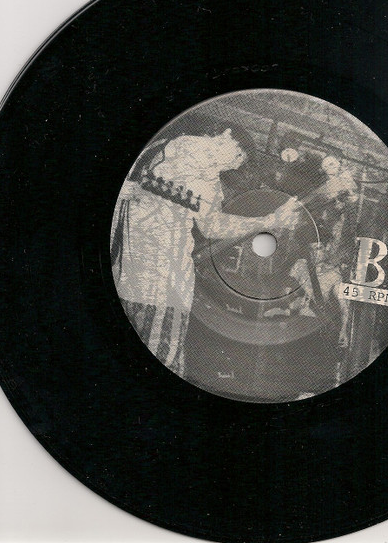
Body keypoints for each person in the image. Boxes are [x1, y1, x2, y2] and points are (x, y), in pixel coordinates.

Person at [111, 129, 300, 374]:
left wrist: (268, 221)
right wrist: (270, 220)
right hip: (158, 285)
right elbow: (213, 224)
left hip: (139, 281)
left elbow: (212, 226)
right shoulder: (181, 151)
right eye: (238, 155)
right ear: (226, 134)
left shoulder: (170, 157)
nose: (235, 165)